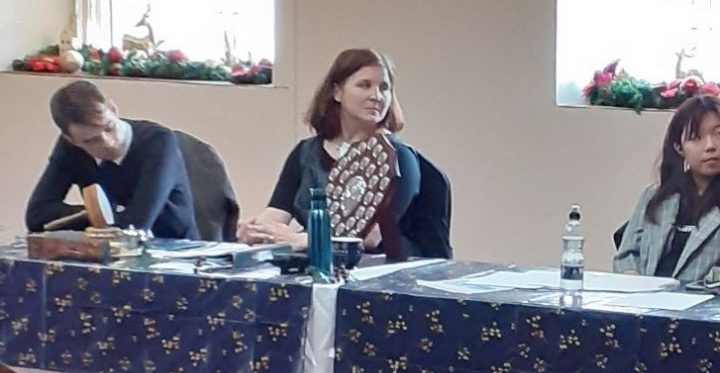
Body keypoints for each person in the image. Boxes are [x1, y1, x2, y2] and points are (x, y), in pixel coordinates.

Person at [239, 48, 424, 256]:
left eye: (384, 88)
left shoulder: (398, 156)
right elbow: (276, 213)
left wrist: (303, 239)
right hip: (313, 264)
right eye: (365, 85)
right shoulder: (305, 152)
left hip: (373, 271)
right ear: (337, 92)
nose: (376, 96)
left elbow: (370, 237)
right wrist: (257, 231)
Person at [613, 95, 720, 284]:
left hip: (702, 308)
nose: (710, 146)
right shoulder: (653, 197)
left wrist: (687, 291)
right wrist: (634, 281)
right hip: (644, 303)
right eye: (696, 137)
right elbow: (625, 256)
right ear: (679, 148)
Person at [25, 80, 198, 239]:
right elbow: (37, 216)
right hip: (109, 254)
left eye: (109, 128)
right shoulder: (70, 149)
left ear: (113, 109)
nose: (107, 143)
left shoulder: (158, 141)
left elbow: (135, 226)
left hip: (175, 252)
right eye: (90, 141)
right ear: (72, 140)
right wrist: (96, 213)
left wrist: (97, 218)